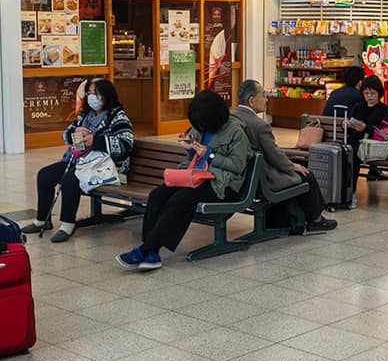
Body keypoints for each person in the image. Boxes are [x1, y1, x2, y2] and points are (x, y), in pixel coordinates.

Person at [117, 90, 249, 271]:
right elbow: (193, 152)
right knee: (158, 194)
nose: (200, 127)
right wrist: (189, 147)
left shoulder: (235, 131)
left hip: (222, 183)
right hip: (195, 175)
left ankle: (145, 249)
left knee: (181, 199)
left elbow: (238, 166)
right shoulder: (201, 125)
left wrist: (209, 153)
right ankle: (152, 252)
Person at [23, 78, 133, 243]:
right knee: (45, 175)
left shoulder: (117, 116)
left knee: (71, 179)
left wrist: (94, 141)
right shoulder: (85, 115)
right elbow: (66, 135)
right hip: (79, 161)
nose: (91, 97)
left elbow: (126, 144)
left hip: (104, 167)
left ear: (106, 95)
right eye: (89, 93)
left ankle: (68, 224)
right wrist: (75, 132)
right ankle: (42, 220)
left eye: (95, 93)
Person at [233, 80, 336, 233]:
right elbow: (274, 155)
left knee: (296, 168)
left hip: (242, 176)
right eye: (263, 95)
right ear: (252, 100)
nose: (267, 99)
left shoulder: (232, 117)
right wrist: (292, 166)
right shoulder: (259, 125)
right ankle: (315, 219)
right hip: (262, 179)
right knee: (306, 174)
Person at [348, 76, 388, 192]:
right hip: (355, 141)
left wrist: (366, 128)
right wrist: (346, 124)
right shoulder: (358, 106)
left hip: (374, 144)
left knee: (353, 155)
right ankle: (343, 190)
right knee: (343, 153)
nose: (369, 96)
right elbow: (350, 125)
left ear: (379, 93)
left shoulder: (384, 109)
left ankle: (349, 191)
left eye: (372, 93)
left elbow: (385, 132)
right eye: (366, 93)